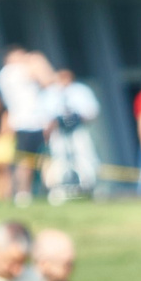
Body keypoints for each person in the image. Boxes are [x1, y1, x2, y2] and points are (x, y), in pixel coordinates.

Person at [0, 46, 56, 202]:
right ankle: (27, 192)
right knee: (29, 161)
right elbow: (48, 79)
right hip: (28, 123)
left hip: (30, 122)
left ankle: (28, 193)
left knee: (39, 160)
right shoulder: (13, 72)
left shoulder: (5, 74)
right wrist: (38, 58)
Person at [45, 68, 101, 201]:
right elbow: (45, 115)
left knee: (85, 157)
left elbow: (92, 111)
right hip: (59, 132)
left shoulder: (81, 91)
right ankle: (60, 189)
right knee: (60, 160)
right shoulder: (50, 93)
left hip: (78, 130)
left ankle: (90, 187)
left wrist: (76, 118)